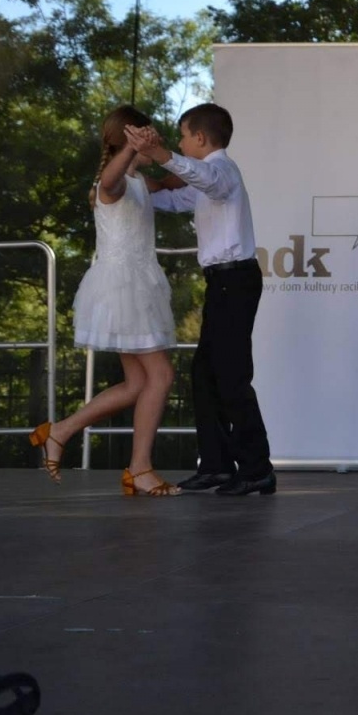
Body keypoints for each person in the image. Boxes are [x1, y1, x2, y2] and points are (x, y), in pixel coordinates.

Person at [124, 103, 276, 497]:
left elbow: (203, 178)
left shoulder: (222, 171)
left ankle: (257, 468)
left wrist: (159, 155)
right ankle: (217, 466)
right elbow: (173, 201)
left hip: (235, 281)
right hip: (222, 285)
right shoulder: (209, 184)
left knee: (231, 377)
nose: (179, 143)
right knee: (205, 376)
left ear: (201, 139)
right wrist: (127, 186)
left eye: (183, 136)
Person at [29, 104, 180, 497]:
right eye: (148, 134)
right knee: (161, 376)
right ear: (128, 139)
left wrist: (180, 159)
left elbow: (173, 182)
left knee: (137, 384)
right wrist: (132, 149)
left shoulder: (142, 183)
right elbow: (111, 178)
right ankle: (140, 468)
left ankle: (59, 431)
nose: (156, 140)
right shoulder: (108, 184)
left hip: (140, 285)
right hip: (123, 288)